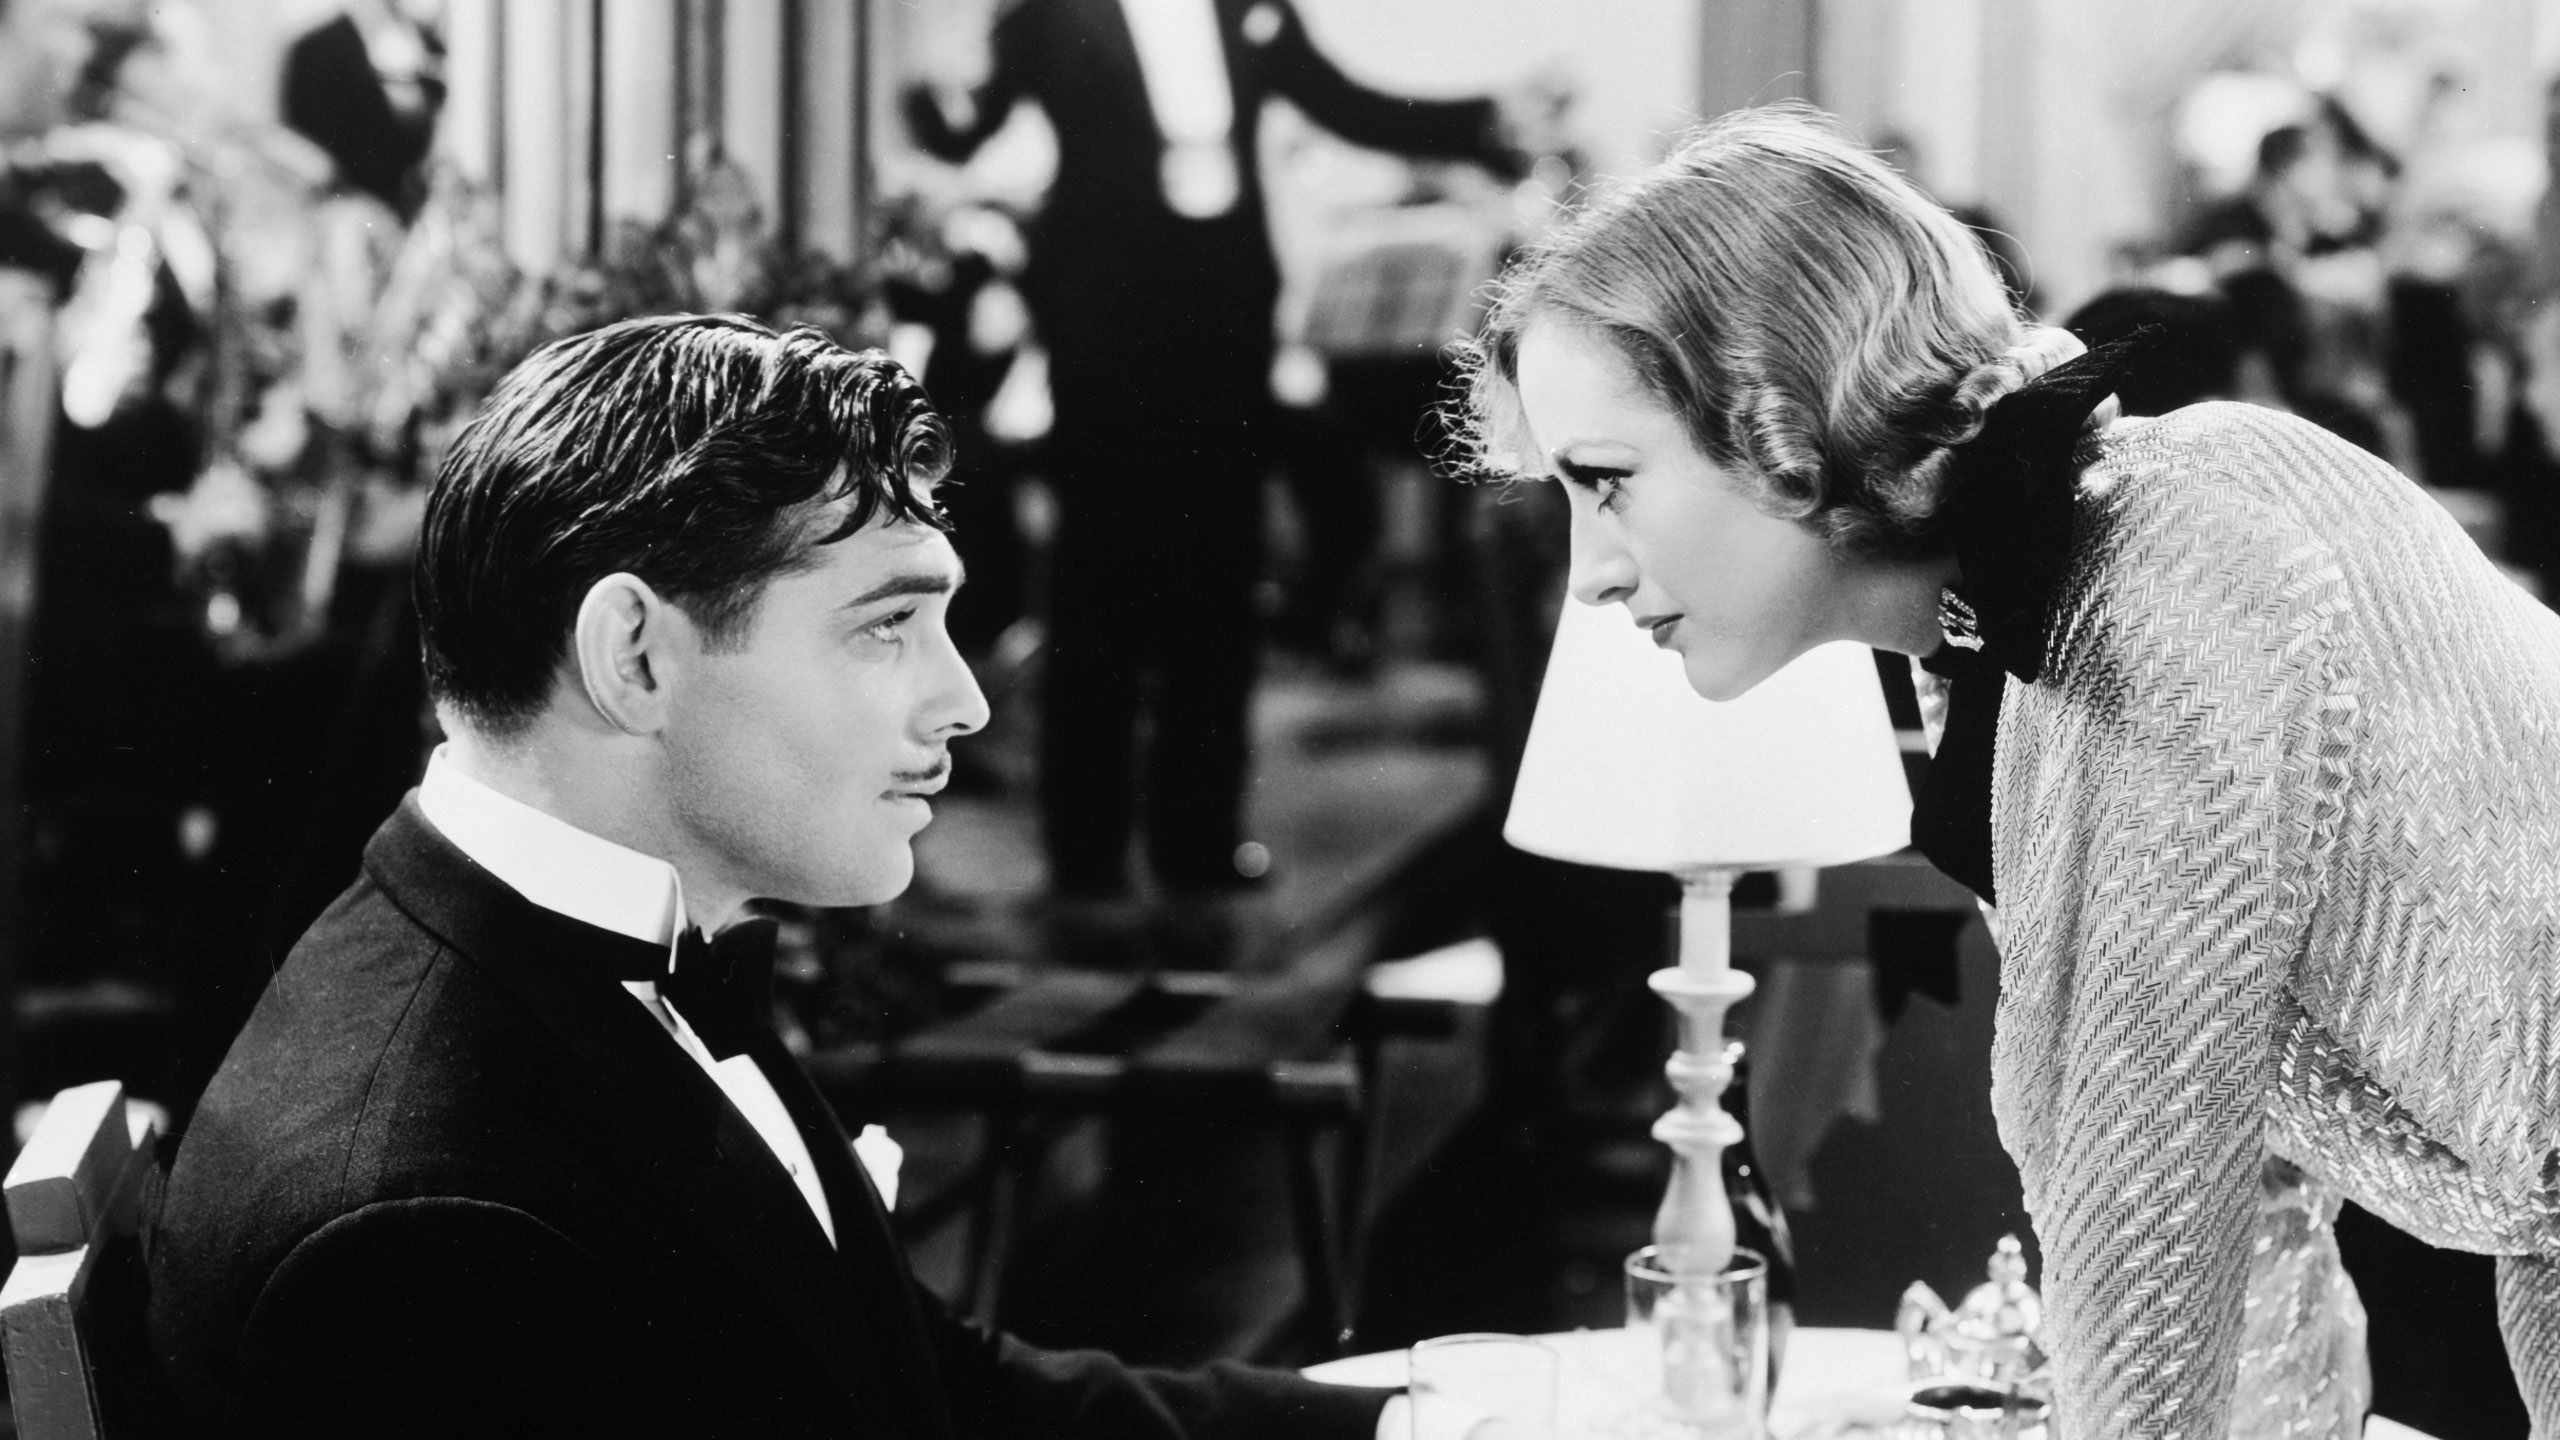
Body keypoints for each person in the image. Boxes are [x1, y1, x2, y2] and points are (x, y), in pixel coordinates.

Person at [1457, 107, 2560, 1437]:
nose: (1588, 575)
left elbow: (2146, 1239)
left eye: (1606, 480)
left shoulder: (2162, 576)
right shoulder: (2017, 624)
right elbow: (2257, 1212)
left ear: (1778, 414)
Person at [146, 314, 1399, 1439]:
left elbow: (924, 1390)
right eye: (886, 626)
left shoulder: (597, 944)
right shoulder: (425, 1230)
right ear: (635, 657)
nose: (964, 700)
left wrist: (1407, 1425)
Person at [904, 0, 1533, 900]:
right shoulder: (1051, 11)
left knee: (1217, 594)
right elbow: (968, 127)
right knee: (1097, 597)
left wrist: (1483, 119)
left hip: (1224, 329)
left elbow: (1340, 99)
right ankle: (1085, 855)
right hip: (1105, 337)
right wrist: (939, 90)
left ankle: (1198, 844)